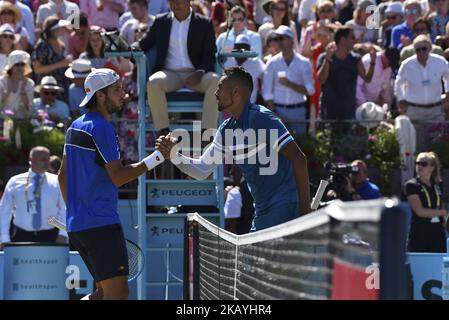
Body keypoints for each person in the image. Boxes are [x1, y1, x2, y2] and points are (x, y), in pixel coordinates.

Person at [156, 66, 312, 231]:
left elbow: (299, 158)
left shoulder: (260, 117)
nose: (216, 93)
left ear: (236, 93)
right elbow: (202, 169)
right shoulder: (226, 129)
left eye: (220, 88)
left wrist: (305, 211)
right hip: (262, 212)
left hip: (284, 208)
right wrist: (174, 155)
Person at [58, 68, 165, 300]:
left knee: (102, 294)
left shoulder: (75, 126)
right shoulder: (102, 128)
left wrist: (75, 212)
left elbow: (62, 176)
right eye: (116, 90)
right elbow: (118, 177)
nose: (123, 94)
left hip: (78, 227)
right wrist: (158, 157)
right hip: (100, 225)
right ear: (100, 95)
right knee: (117, 295)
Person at [135, 0, 220, 136]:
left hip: (196, 74)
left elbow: (209, 54)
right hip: (170, 74)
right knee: (153, 83)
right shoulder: (161, 21)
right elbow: (144, 44)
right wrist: (128, 48)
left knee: (216, 81)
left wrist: (199, 72)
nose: (175, 5)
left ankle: (207, 134)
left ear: (188, 2)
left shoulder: (204, 23)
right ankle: (164, 134)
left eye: (179, 1)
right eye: (172, 1)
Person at [0, 146, 67, 251]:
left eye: (48, 158)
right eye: (43, 159)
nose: (47, 162)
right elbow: (4, 211)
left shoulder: (56, 181)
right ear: (31, 160)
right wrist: (4, 238)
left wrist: (63, 234)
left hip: (50, 236)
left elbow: (64, 208)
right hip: (21, 236)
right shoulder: (15, 181)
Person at [263, 25, 314, 137]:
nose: (279, 42)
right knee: (278, 150)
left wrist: (289, 84)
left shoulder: (304, 63)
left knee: (300, 147)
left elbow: (310, 90)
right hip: (278, 111)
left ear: (291, 40)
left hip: (298, 111)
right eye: (277, 39)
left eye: (282, 38)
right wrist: (275, 115)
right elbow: (267, 93)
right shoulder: (272, 63)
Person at [404, 152, 448, 253]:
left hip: (438, 234)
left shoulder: (438, 185)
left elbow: (439, 205)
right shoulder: (411, 185)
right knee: (419, 267)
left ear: (432, 167)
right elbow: (420, 211)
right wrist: (442, 213)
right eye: (417, 163)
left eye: (424, 164)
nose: (419, 166)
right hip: (420, 235)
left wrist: (444, 219)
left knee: (439, 267)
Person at [0, 49, 34, 119]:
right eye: (17, 64)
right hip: (2, 120)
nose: (20, 67)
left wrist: (22, 91)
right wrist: (8, 91)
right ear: (11, 66)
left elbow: (28, 107)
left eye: (22, 64)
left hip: (21, 122)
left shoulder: (29, 83)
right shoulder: (2, 81)